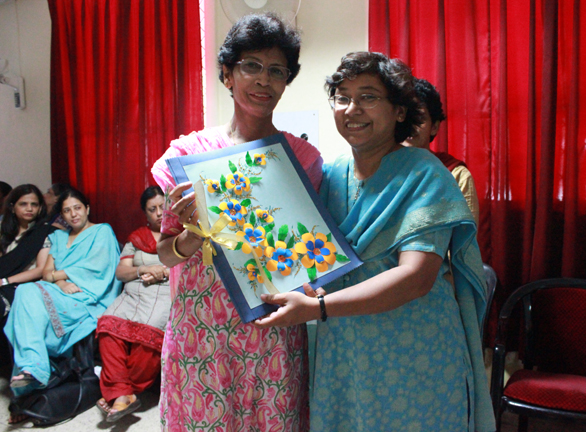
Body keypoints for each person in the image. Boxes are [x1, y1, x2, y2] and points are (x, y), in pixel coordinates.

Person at [256, 52, 496, 432]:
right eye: (342, 97)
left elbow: (415, 278)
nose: (352, 109)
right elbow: (304, 250)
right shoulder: (331, 173)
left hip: (413, 352)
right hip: (346, 351)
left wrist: (318, 307)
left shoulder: (426, 174)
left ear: (399, 111)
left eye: (368, 97)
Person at [151, 13, 322, 432]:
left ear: (286, 81)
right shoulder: (189, 155)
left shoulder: (303, 160)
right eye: (251, 66)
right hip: (200, 333)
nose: (264, 80)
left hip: (272, 330)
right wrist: (192, 235)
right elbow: (165, 254)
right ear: (227, 74)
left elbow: (309, 254)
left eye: (277, 70)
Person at [4, 188, 121, 402]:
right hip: (60, 291)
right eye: (67, 211)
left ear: (87, 209)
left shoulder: (102, 231)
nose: (73, 214)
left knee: (28, 299)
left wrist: (58, 276)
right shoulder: (57, 236)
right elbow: (46, 273)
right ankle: (32, 369)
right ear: (62, 215)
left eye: (77, 208)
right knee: (25, 291)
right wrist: (61, 282)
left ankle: (30, 380)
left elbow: (97, 268)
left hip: (89, 295)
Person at [95, 186, 170, 422]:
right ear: (145, 213)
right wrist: (144, 268)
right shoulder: (137, 238)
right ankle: (123, 394)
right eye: (152, 209)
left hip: (164, 294)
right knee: (108, 326)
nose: (159, 213)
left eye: (162, 207)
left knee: (148, 337)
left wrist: (163, 271)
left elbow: (191, 268)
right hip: (134, 292)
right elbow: (121, 272)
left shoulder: (181, 235)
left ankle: (121, 392)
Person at [404, 77, 480, 227]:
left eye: (419, 118)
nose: (410, 126)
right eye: (405, 118)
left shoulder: (456, 175)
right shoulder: (378, 170)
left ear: (434, 127)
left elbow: (466, 237)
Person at [0, 184, 56, 318]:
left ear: (40, 208)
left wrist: (5, 281)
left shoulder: (45, 232)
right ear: (12, 207)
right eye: (23, 204)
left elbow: (40, 269)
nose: (29, 209)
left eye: (34, 204)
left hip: (23, 286)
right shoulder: (3, 229)